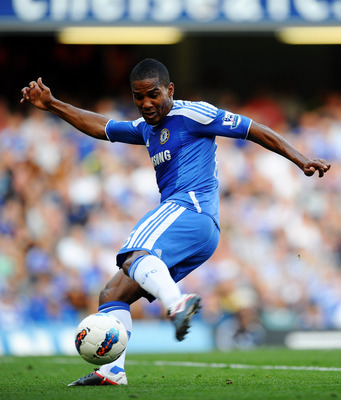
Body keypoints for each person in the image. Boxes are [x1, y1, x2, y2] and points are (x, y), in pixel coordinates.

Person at [21, 58, 331, 386]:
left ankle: (176, 302)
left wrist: (299, 158)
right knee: (113, 293)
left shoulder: (192, 114)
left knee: (134, 252)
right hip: (197, 228)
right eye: (138, 97)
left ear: (170, 90)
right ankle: (112, 371)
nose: (146, 103)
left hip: (190, 210)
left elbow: (250, 128)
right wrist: (53, 104)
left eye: (153, 95)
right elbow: (103, 127)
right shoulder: (147, 129)